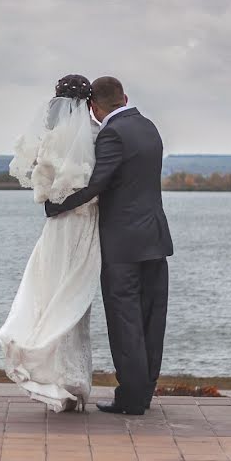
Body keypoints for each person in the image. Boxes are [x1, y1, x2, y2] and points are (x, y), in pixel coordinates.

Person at [45, 76, 173, 415]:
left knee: (125, 318)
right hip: (155, 238)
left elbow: (98, 183)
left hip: (123, 242)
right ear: (125, 96)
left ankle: (130, 397)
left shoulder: (113, 133)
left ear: (94, 107)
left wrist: (56, 205)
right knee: (150, 318)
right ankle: (144, 392)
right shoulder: (148, 126)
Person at [0, 74, 100, 412]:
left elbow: (44, 196)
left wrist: (56, 202)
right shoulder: (98, 137)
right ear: (87, 103)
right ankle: (73, 381)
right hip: (84, 227)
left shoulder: (50, 142)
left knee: (51, 294)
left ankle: (57, 378)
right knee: (74, 300)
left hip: (57, 230)